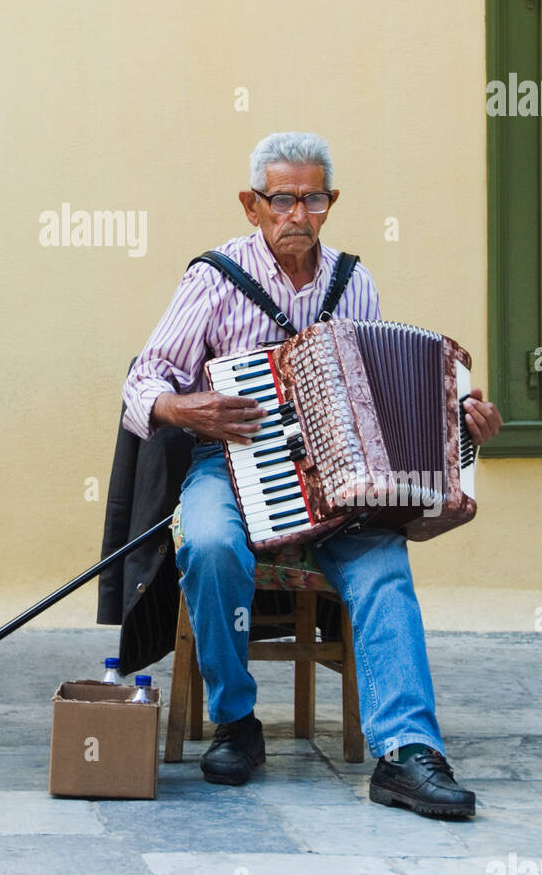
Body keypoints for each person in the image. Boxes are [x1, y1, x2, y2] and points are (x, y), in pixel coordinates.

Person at [121, 131, 502, 819]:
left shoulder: (354, 281)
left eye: (313, 198)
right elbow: (143, 381)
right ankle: (236, 720)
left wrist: (459, 418)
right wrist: (185, 406)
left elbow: (384, 398)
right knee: (206, 545)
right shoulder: (213, 278)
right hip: (230, 463)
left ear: (331, 202)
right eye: (283, 199)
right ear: (251, 204)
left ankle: (406, 754)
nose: (298, 213)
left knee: (383, 562)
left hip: (341, 480)